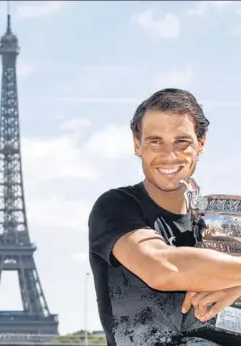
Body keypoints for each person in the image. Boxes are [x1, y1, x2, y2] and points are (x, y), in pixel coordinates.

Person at [88, 88, 241, 346]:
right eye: (155, 141)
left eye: (182, 141)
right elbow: (163, 268)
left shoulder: (223, 222)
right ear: (138, 145)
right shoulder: (116, 206)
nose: (169, 155)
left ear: (201, 143)